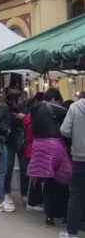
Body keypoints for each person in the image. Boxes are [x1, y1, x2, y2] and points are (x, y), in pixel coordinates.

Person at [27, 88, 71, 227]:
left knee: (48, 181)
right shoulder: (51, 107)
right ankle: (64, 214)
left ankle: (49, 216)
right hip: (54, 146)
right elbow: (71, 115)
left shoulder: (34, 109)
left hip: (38, 146)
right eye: (58, 102)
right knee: (64, 179)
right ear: (54, 100)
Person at [0, 90, 22, 213]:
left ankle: (1, 199)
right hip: (2, 141)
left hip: (4, 141)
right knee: (2, 172)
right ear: (14, 99)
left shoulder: (8, 108)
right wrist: (6, 130)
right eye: (18, 99)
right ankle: (0, 201)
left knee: (3, 171)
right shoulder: (4, 107)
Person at [59, 95, 85, 238]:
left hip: (79, 157)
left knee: (76, 194)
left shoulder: (75, 106)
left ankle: (72, 233)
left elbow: (64, 130)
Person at [1, 90, 28, 207]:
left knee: (24, 167)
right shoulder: (5, 107)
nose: (18, 101)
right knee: (9, 166)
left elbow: (27, 116)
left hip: (20, 138)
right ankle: (7, 192)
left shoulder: (23, 105)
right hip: (10, 138)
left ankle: (24, 193)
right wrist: (17, 115)